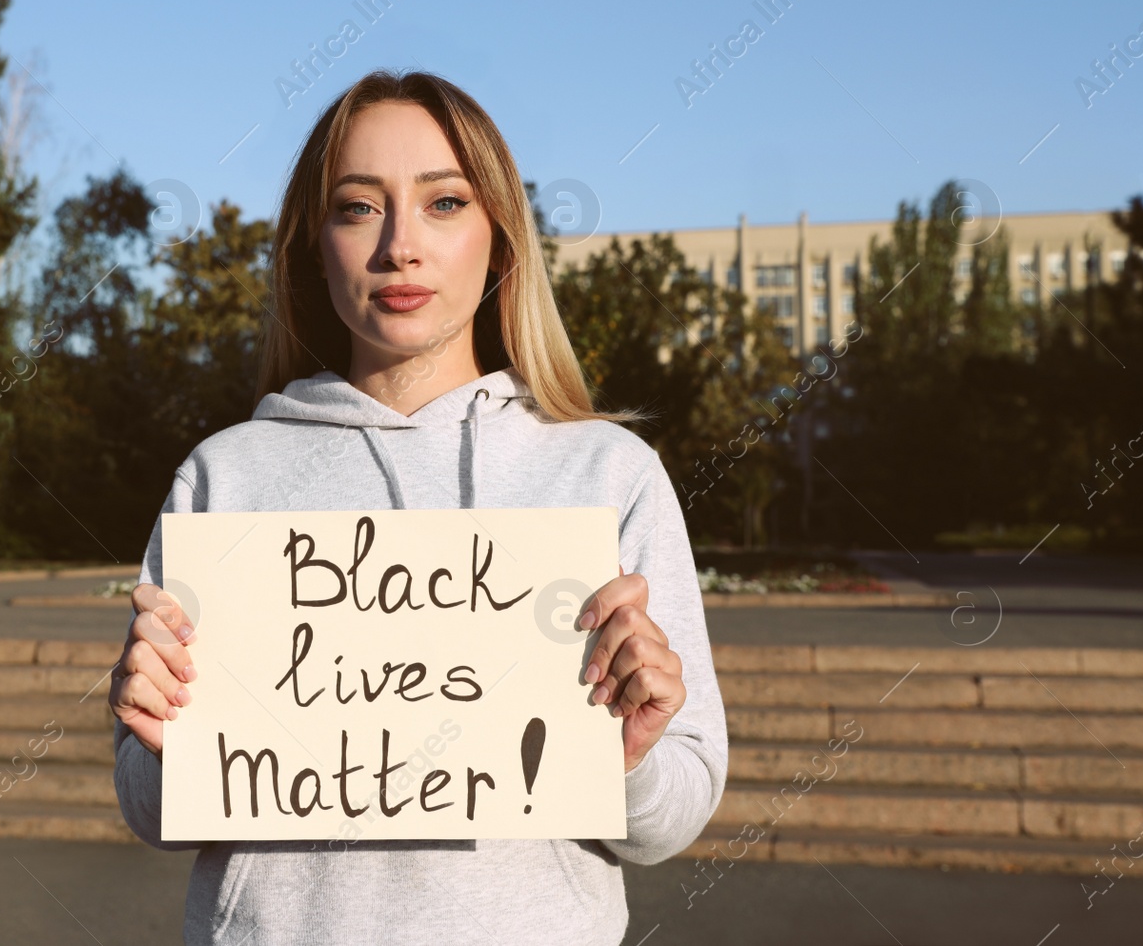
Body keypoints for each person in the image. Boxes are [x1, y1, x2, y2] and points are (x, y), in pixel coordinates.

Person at [108, 69, 728, 945]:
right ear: (310, 243)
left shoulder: (605, 472)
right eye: (358, 206)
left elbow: (676, 816)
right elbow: (151, 810)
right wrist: (157, 734)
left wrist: (626, 756)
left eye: (444, 203)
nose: (401, 245)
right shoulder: (226, 476)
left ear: (501, 237)